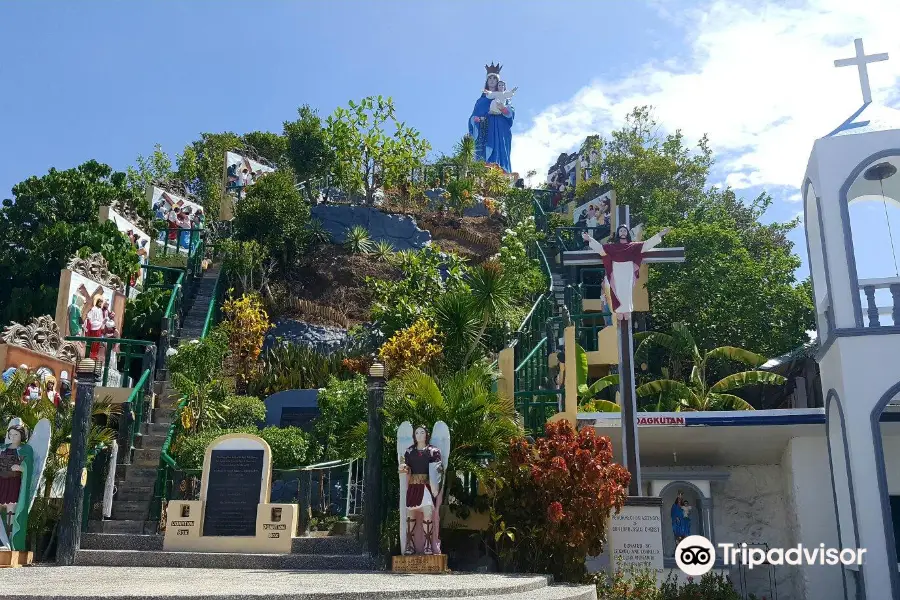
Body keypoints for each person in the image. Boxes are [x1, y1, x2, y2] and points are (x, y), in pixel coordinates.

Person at [582, 225, 671, 321]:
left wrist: (660, 234)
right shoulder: (612, 247)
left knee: (627, 291)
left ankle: (627, 309)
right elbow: (600, 249)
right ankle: (619, 310)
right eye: (621, 231)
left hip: (628, 271)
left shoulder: (633, 246)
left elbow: (646, 244)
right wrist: (589, 239)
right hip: (616, 270)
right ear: (618, 233)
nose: (623, 232)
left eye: (625, 230)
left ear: (627, 233)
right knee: (617, 289)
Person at [399, 425, 443, 555]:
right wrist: (403, 467)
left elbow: (438, 469)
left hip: (427, 488)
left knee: (428, 512)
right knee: (410, 515)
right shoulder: (409, 451)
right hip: (413, 487)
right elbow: (405, 466)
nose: (419, 435)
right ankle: (409, 544)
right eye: (416, 432)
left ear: (426, 434)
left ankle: (428, 544)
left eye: (422, 432)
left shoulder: (433, 451)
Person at [468, 64, 515, 173]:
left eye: (494, 78)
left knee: (500, 151)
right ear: (487, 81)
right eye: (490, 78)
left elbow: (510, 112)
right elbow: (473, 117)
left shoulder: (504, 97)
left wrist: (503, 109)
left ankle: (502, 169)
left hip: (500, 129)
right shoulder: (481, 100)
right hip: (486, 129)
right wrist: (476, 120)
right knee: (485, 154)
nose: (492, 80)